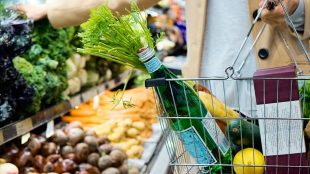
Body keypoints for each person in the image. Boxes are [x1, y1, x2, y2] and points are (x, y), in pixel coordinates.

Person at [14, 0, 310, 114]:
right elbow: (118, 1)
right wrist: (51, 10)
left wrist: (296, 10)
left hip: (286, 96)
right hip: (208, 99)